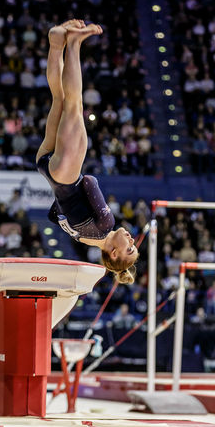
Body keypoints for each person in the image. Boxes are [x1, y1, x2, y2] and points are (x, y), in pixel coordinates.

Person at [36, 20, 139, 284]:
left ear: (113, 253)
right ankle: (57, 42)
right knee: (59, 98)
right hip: (47, 167)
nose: (131, 238)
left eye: (129, 247)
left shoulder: (105, 226)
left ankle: (74, 42)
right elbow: (54, 213)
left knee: (74, 102)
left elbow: (91, 182)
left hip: (66, 173)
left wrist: (72, 180)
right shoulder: (83, 238)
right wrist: (67, 192)